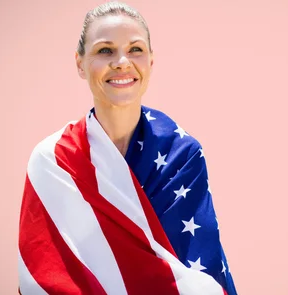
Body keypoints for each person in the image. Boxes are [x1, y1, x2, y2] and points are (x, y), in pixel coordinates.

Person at [17, 2, 238, 294]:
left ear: (151, 62)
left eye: (135, 49)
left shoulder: (182, 155)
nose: (122, 62)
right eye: (105, 50)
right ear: (80, 63)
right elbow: (44, 272)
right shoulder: (52, 161)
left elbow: (198, 272)